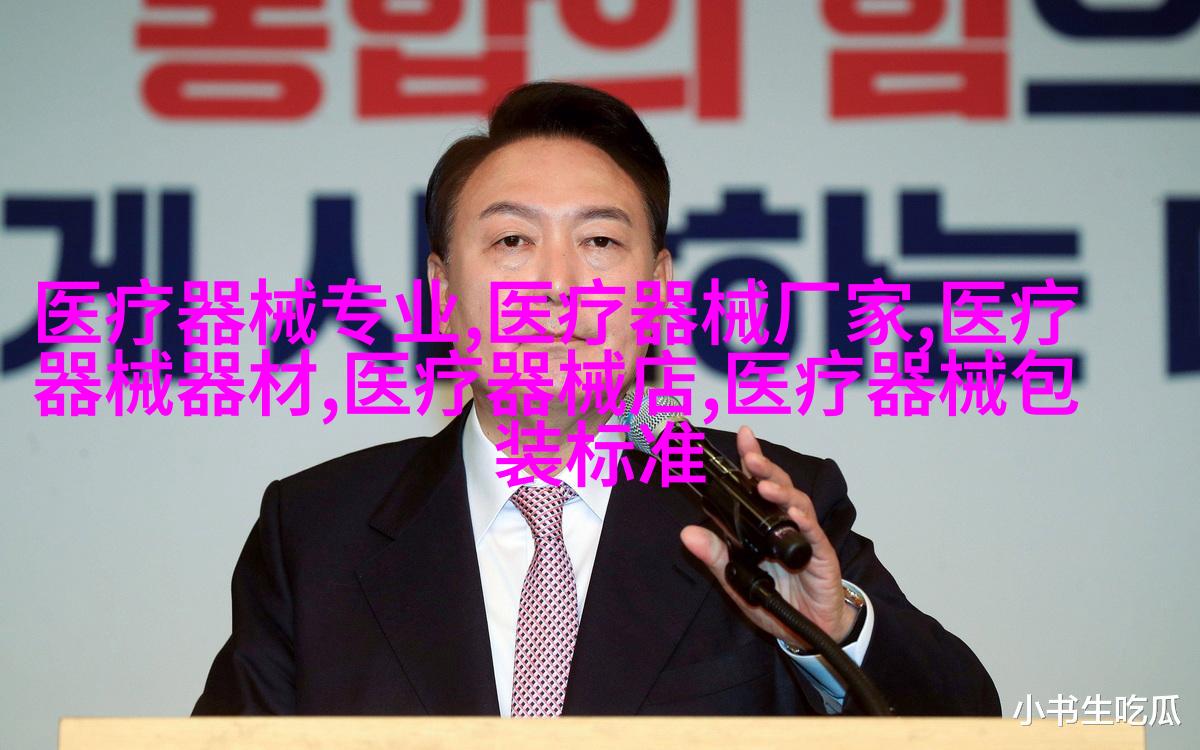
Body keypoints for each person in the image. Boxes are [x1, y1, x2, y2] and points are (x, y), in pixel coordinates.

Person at [193, 81, 1000, 717]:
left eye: (600, 242)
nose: (558, 284)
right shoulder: (316, 533)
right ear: (442, 292)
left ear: (658, 290)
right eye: (513, 240)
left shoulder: (756, 508)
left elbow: (966, 722)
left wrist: (829, 630)